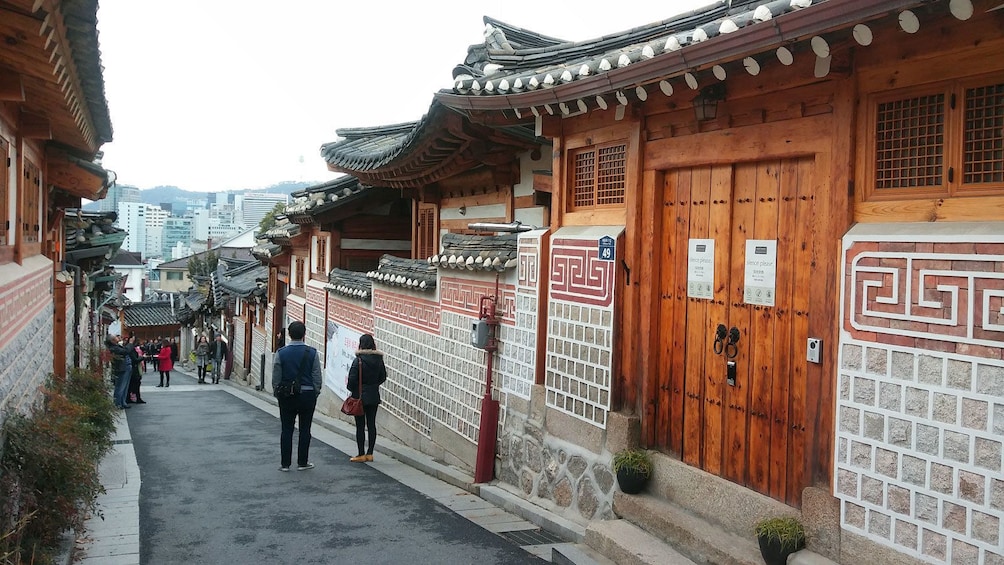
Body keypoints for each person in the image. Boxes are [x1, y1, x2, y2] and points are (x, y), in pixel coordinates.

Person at [272, 321, 321, 472]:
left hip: (287, 395)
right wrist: (315, 393)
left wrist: (278, 393)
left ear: (289, 334)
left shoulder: (281, 353)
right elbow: (317, 377)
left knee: (286, 429)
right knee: (305, 429)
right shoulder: (312, 352)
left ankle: (285, 464)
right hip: (307, 395)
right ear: (304, 334)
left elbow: (276, 377)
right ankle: (302, 462)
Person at [347, 333, 388, 463]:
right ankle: (370, 453)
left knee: (360, 425)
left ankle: (361, 453)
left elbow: (352, 379)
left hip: (359, 397)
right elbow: (383, 377)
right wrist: (373, 386)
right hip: (374, 396)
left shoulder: (358, 360)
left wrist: (353, 390)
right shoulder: (379, 360)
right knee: (371, 424)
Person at [105, 333, 132, 409]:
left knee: (125, 386)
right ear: (112, 340)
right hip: (121, 368)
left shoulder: (116, 346)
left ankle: (123, 402)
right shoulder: (114, 348)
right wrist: (130, 344)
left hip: (125, 367)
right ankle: (118, 403)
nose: (118, 338)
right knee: (120, 386)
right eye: (116, 337)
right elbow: (125, 351)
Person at [127, 336, 146, 404]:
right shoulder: (131, 349)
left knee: (131, 384)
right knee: (136, 384)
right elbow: (135, 359)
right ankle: (137, 398)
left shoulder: (130, 348)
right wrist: (142, 358)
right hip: (134, 369)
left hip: (133, 369)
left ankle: (129, 398)